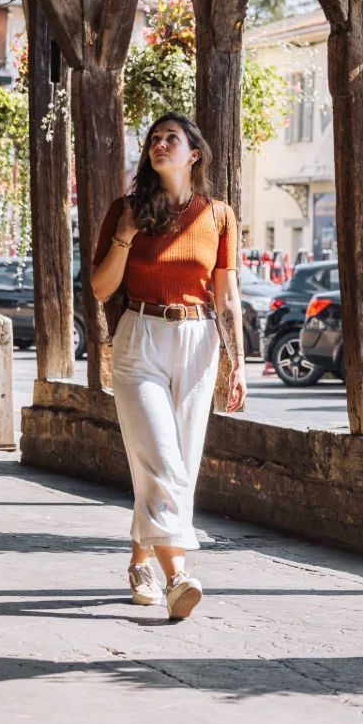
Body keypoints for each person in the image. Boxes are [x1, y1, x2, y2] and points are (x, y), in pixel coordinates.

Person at [90, 113, 247, 618]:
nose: (159, 145)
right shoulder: (126, 209)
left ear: (193, 153)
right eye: (154, 140)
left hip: (199, 341)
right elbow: (100, 288)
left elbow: (227, 296)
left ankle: (140, 562)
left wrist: (238, 363)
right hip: (140, 337)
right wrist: (126, 236)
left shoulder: (219, 216)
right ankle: (178, 577)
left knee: (179, 463)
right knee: (162, 459)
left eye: (170, 139)